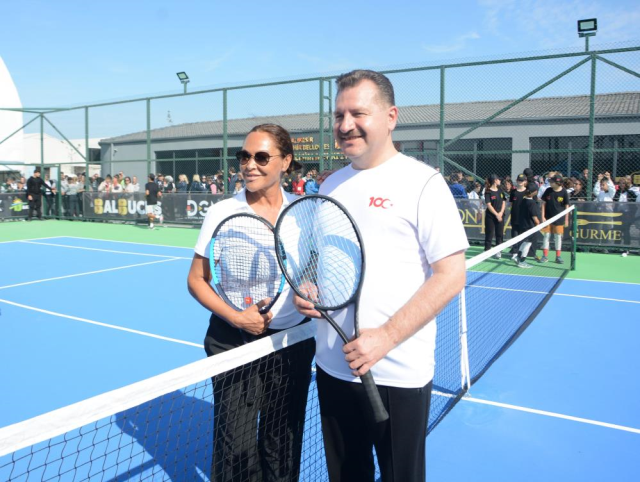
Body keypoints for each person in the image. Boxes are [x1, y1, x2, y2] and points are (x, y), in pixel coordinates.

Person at [293, 70, 468, 482]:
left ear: (391, 116)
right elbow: (319, 259)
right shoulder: (330, 185)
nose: (345, 125)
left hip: (397, 373)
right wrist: (308, 285)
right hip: (333, 367)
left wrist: (386, 337)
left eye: (358, 113)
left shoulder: (424, 183)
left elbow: (451, 275)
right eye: (338, 115)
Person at [187, 123, 312, 482]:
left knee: (283, 439)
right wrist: (237, 319)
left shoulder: (305, 212)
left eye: (261, 156)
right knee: (236, 448)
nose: (249, 165)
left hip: (291, 343)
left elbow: (311, 268)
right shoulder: (221, 212)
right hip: (234, 341)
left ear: (285, 161)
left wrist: (311, 288)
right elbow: (197, 280)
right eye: (244, 156)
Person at [540, 174, 570, 264]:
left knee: (558, 237)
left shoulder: (564, 192)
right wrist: (543, 216)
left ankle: (558, 256)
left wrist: (566, 219)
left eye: (552, 182)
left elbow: (567, 206)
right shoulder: (548, 190)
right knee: (546, 236)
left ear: (558, 183)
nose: (550, 183)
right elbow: (543, 203)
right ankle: (545, 256)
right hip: (548, 219)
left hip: (559, 219)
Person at [515, 184, 542, 268]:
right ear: (534, 192)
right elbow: (535, 217)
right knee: (527, 244)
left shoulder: (523, 200)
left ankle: (518, 257)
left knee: (524, 242)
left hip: (523, 226)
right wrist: (538, 224)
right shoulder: (532, 203)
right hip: (530, 227)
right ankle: (522, 261)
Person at [484, 174, 506, 258]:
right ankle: (487, 251)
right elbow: (488, 205)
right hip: (491, 216)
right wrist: (496, 214)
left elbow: (504, 201)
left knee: (499, 234)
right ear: (494, 181)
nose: (500, 181)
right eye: (498, 179)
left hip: (500, 216)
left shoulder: (500, 190)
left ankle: (498, 251)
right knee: (489, 233)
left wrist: (500, 213)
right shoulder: (488, 192)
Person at [509, 174, 527, 260]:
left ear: (525, 182)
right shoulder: (513, 192)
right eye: (519, 180)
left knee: (522, 235)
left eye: (522, 180)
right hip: (514, 217)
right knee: (514, 234)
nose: (520, 182)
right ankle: (515, 252)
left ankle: (521, 252)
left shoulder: (527, 192)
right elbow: (512, 204)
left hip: (524, 218)